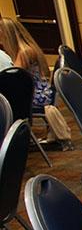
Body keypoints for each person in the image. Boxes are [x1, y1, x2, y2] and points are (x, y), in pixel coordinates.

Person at [0, 17, 73, 150]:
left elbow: (14, 77)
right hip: (39, 91)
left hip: (36, 96)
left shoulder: (24, 52)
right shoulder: (26, 48)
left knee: (4, 105)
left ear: (7, 34)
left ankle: (11, 143)